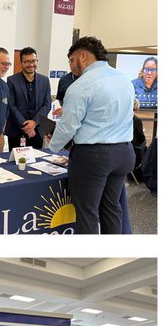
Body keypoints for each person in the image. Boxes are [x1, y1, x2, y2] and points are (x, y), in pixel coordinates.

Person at [45, 37, 136, 235]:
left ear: (83, 56)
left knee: (87, 213)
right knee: (111, 208)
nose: (71, 67)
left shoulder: (81, 86)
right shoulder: (124, 79)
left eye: (71, 60)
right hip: (124, 153)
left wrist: (52, 147)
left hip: (94, 157)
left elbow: (68, 126)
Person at [7, 48, 52, 146]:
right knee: (15, 161)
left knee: (38, 161)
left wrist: (35, 122)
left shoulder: (44, 80)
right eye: (27, 61)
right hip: (17, 131)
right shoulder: (12, 80)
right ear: (21, 62)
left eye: (33, 61)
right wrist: (26, 126)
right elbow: (11, 106)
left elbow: (47, 104)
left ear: (37, 61)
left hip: (37, 131)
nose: (31, 64)